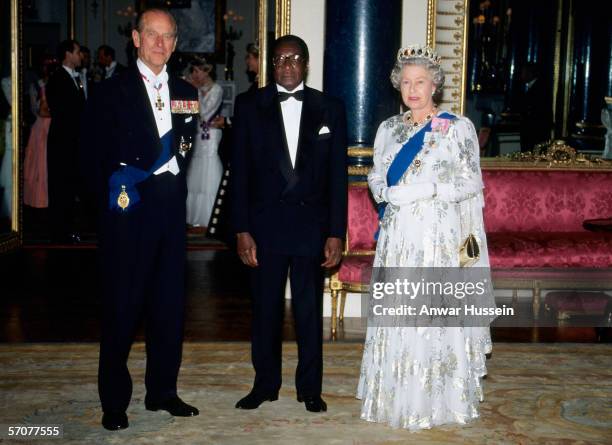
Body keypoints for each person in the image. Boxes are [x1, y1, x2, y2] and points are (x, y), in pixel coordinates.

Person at [357, 45, 493, 430]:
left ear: (435, 85)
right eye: (406, 82)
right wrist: (384, 191)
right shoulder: (389, 128)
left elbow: (472, 181)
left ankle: (439, 401)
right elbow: (375, 173)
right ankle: (396, 396)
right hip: (399, 234)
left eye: (420, 82)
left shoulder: (458, 128)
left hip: (437, 235)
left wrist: (429, 189)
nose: (412, 89)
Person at [80, 8, 200, 430]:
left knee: (168, 307)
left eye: (168, 36)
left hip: (170, 214)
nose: (161, 44)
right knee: (122, 308)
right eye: (152, 35)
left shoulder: (186, 89)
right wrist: (113, 202)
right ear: (135, 37)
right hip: (128, 214)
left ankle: (162, 391)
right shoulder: (110, 92)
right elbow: (91, 158)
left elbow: (186, 151)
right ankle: (114, 402)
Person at [231, 34, 347, 413]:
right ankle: (264, 384)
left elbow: (337, 178)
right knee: (264, 312)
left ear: (306, 64)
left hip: (311, 227)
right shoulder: (250, 105)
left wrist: (335, 232)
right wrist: (241, 229)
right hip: (264, 228)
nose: (287, 65)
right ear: (272, 65)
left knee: (308, 313)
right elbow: (240, 174)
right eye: (280, 60)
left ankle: (310, 388)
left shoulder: (330, 107)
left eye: (295, 59)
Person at [46, 39, 86, 243]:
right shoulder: (57, 78)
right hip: (62, 141)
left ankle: (68, 227)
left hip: (73, 141)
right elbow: (64, 112)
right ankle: (59, 230)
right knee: (61, 186)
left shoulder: (75, 77)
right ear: (68, 54)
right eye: (78, 52)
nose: (81, 56)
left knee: (70, 186)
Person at [184, 57, 223, 230]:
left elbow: (206, 114)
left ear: (206, 71)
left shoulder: (217, 89)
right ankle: (194, 216)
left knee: (209, 170)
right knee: (196, 174)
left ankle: (208, 216)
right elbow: (189, 112)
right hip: (199, 134)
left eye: (196, 71)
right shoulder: (198, 90)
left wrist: (195, 92)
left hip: (212, 135)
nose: (194, 75)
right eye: (192, 71)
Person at [24, 56, 57, 208]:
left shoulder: (55, 83)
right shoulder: (38, 86)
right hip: (42, 126)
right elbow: (40, 111)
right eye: (46, 67)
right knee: (41, 162)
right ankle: (41, 198)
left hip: (51, 125)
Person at [518, 62, 552, 152]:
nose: (521, 75)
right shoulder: (533, 87)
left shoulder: (539, 89)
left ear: (530, 73)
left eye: (523, 72)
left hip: (535, 133)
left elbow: (537, 113)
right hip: (532, 132)